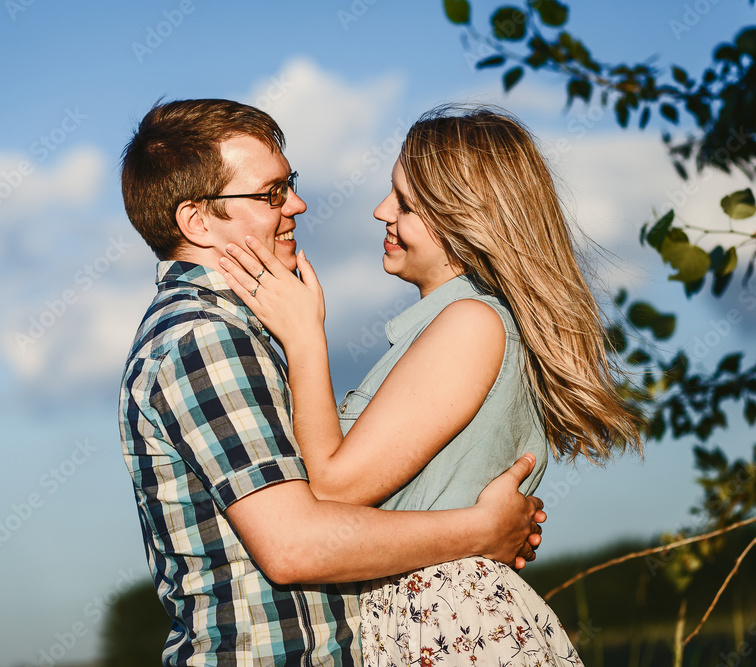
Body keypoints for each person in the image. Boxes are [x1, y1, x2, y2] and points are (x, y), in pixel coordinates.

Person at [118, 98, 548, 665]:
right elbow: (295, 543)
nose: (296, 202)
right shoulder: (204, 339)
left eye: (289, 182)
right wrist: (479, 529)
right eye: (271, 193)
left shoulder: (237, 333)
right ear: (197, 221)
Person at [219, 105, 644, 665]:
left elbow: (330, 489)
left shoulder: (470, 324)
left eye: (406, 203)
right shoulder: (455, 327)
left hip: (448, 624)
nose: (380, 212)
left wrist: (304, 339)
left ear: (465, 218)